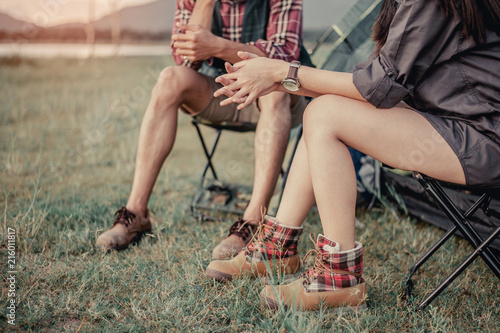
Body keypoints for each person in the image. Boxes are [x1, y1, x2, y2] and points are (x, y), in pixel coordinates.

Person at [206, 0, 500, 311]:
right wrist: (275, 79)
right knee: (327, 107)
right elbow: (374, 84)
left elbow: (377, 85)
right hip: (457, 124)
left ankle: (339, 277)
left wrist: (282, 72)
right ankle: (276, 249)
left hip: (484, 138)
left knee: (326, 114)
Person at [96, 0, 313, 256]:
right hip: (222, 90)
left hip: (281, 95)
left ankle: (253, 221)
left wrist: (217, 46)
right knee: (169, 79)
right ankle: (136, 213)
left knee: (274, 91)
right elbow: (185, 60)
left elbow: (282, 58)